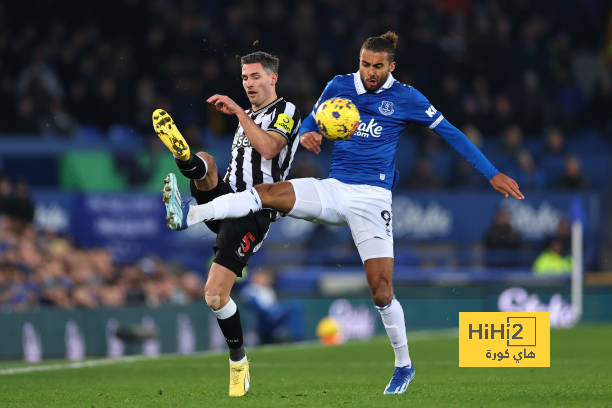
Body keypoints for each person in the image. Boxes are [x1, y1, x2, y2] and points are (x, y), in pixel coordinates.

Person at [164, 32, 524, 395]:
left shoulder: (406, 97)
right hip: (335, 188)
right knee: (266, 194)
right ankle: (191, 215)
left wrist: (491, 173)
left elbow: (451, 133)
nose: (369, 72)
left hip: (373, 199)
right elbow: (311, 121)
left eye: (377, 66)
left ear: (391, 67)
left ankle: (404, 365)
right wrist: (308, 134)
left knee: (381, 291)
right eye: (365, 64)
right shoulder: (339, 85)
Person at [152, 51, 301, 397]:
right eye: (245, 78)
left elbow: (267, 150)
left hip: (254, 211)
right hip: (225, 199)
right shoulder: (246, 116)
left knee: (215, 296)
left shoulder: (286, 111)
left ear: (272, 78)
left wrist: (236, 111)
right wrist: (241, 114)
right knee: (204, 159)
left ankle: (238, 361)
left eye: (255, 77)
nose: (248, 83)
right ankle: (187, 162)